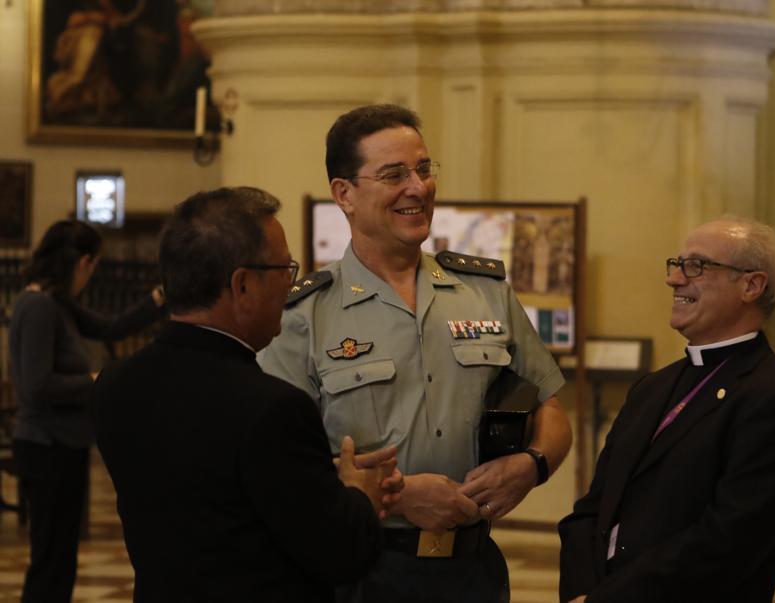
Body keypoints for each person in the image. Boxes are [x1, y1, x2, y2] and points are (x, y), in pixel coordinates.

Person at [258, 104, 573, 603]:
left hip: (473, 572)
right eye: (393, 174)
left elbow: (552, 409)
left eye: (423, 169)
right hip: (360, 572)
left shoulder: (485, 292)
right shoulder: (303, 315)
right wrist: (397, 496)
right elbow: (275, 465)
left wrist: (532, 465)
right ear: (345, 194)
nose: (417, 187)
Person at [92, 187, 403, 602]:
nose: (289, 287)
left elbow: (214, 486)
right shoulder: (272, 409)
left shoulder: (115, 384)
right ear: (242, 286)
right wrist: (356, 493)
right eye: (284, 270)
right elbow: (343, 554)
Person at [558, 218, 775, 603]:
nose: (675, 279)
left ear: (751, 285)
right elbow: (592, 510)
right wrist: (581, 591)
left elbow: (728, 544)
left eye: (697, 266)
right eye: (677, 264)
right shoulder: (652, 388)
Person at [8, 219, 166, 603]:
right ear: (82, 263)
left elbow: (111, 328)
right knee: (50, 559)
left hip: (63, 445)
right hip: (46, 447)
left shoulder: (57, 303)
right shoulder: (39, 306)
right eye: (93, 267)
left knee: (61, 558)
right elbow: (36, 385)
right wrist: (97, 379)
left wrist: (161, 298)